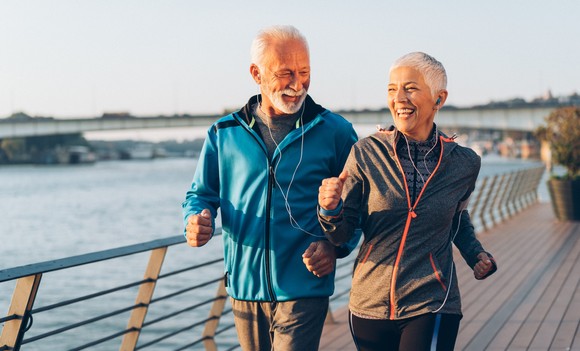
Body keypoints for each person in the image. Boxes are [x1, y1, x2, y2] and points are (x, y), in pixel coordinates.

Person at [182, 25, 359, 351]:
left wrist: (336, 247)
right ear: (256, 73)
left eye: (304, 72)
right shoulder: (224, 133)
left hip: (306, 285)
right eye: (285, 73)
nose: (297, 83)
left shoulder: (336, 132)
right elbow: (200, 195)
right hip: (244, 289)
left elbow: (360, 205)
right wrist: (196, 219)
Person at [317, 52, 497, 351]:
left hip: (433, 300)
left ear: (438, 99)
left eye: (410, 88)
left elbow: (456, 218)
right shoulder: (365, 153)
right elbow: (342, 234)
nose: (398, 98)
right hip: (369, 304)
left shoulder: (464, 163)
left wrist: (476, 254)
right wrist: (330, 208)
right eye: (391, 89)